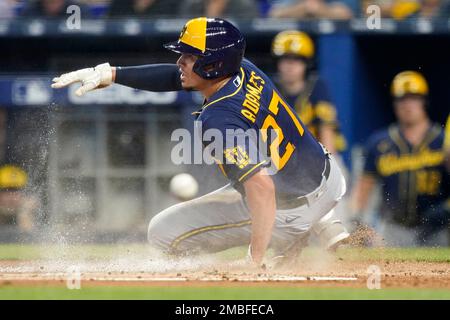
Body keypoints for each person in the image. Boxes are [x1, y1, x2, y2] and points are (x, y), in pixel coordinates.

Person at [51, 17, 350, 267]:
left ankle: (292, 235)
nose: (180, 61)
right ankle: (320, 220)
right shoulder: (244, 68)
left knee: (162, 233)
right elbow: (175, 77)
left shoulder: (217, 118)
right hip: (326, 176)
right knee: (256, 169)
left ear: (213, 65)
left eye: (190, 56)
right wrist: (112, 74)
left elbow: (261, 187)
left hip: (284, 206)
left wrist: (254, 260)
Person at [350, 71, 450, 246]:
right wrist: (356, 219)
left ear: (424, 101)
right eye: (401, 99)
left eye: (413, 98)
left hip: (437, 228)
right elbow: (363, 187)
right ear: (394, 104)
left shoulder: (443, 139)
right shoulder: (380, 142)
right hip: (395, 229)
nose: (407, 105)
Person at [271, 30, 346, 155]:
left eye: (296, 60)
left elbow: (326, 130)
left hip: (315, 155)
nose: (290, 66)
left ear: (306, 64)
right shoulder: (269, 87)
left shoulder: (317, 87)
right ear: (277, 63)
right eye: (285, 59)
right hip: (279, 157)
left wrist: (330, 165)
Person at [269, 0, 353, 19]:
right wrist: (303, 8)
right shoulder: (291, 2)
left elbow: (346, 14)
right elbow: (273, 14)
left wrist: (320, 10)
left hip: (328, 43)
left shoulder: (331, 3)